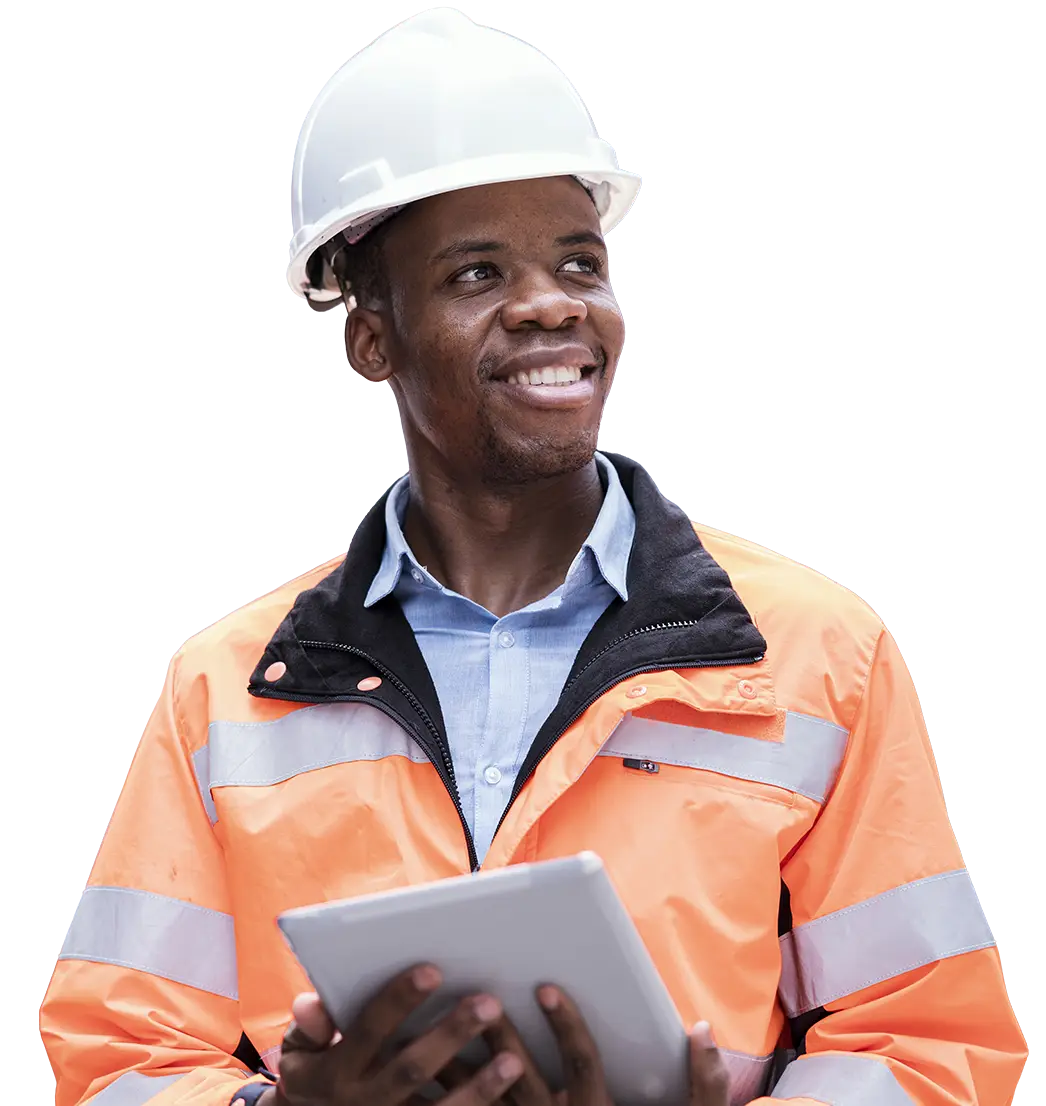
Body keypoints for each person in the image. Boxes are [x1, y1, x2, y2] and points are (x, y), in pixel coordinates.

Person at [40, 9, 1028, 1106]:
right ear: (372, 337)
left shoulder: (813, 655)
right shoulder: (225, 690)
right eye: (475, 273)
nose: (553, 302)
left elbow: (932, 1050)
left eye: (578, 261)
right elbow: (118, 1063)